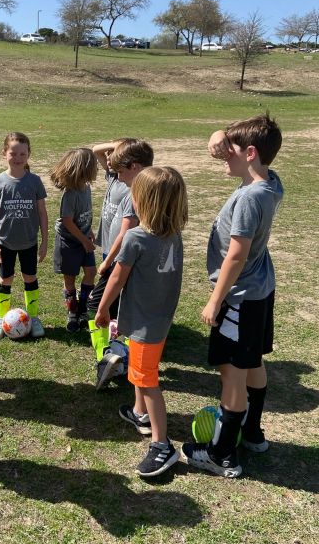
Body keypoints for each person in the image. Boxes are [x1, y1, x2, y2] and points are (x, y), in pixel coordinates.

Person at [182, 114, 283, 478]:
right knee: (253, 361)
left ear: (251, 152)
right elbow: (238, 145)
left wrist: (215, 300)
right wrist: (220, 134)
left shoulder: (249, 199)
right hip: (260, 293)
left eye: (231, 151)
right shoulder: (271, 183)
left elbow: (236, 255)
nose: (224, 155)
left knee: (232, 374)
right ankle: (252, 433)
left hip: (239, 298)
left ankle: (223, 454)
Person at [96, 167, 188, 477]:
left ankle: (162, 446)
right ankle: (140, 414)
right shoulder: (174, 235)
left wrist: (103, 309)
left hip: (147, 324)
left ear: (143, 201)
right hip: (156, 320)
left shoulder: (136, 237)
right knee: (138, 366)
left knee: (148, 381)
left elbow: (117, 279)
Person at [88, 139, 154, 388]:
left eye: (120, 169)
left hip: (119, 258)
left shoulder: (135, 191)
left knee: (97, 305)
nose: (116, 174)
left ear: (134, 167)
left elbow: (127, 231)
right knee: (116, 308)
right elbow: (95, 150)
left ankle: (108, 357)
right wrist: (122, 144)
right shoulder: (123, 180)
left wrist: (108, 262)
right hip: (113, 255)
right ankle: (116, 354)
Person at [0, 132, 48, 339]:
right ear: (4, 153)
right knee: (6, 278)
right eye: (13, 153)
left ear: (29, 154)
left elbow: (42, 212)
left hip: (29, 241)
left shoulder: (35, 181)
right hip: (5, 242)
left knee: (29, 277)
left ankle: (32, 317)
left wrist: (44, 241)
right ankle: (1, 318)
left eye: (23, 153)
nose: (18, 158)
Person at [50, 147, 99, 331]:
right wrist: (84, 240)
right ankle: (72, 311)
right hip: (69, 241)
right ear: (84, 169)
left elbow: (85, 214)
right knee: (69, 278)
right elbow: (68, 222)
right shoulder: (70, 194)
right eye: (94, 166)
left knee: (91, 272)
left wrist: (90, 232)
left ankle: (83, 309)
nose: (96, 169)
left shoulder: (86, 188)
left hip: (84, 238)